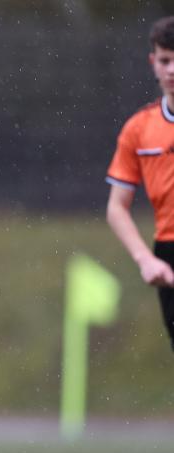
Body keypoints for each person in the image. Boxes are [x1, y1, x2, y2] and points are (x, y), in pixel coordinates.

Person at [107, 15, 174, 351]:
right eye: (165, 60)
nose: (172, 70)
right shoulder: (139, 129)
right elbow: (116, 207)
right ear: (153, 63)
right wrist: (145, 259)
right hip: (169, 252)